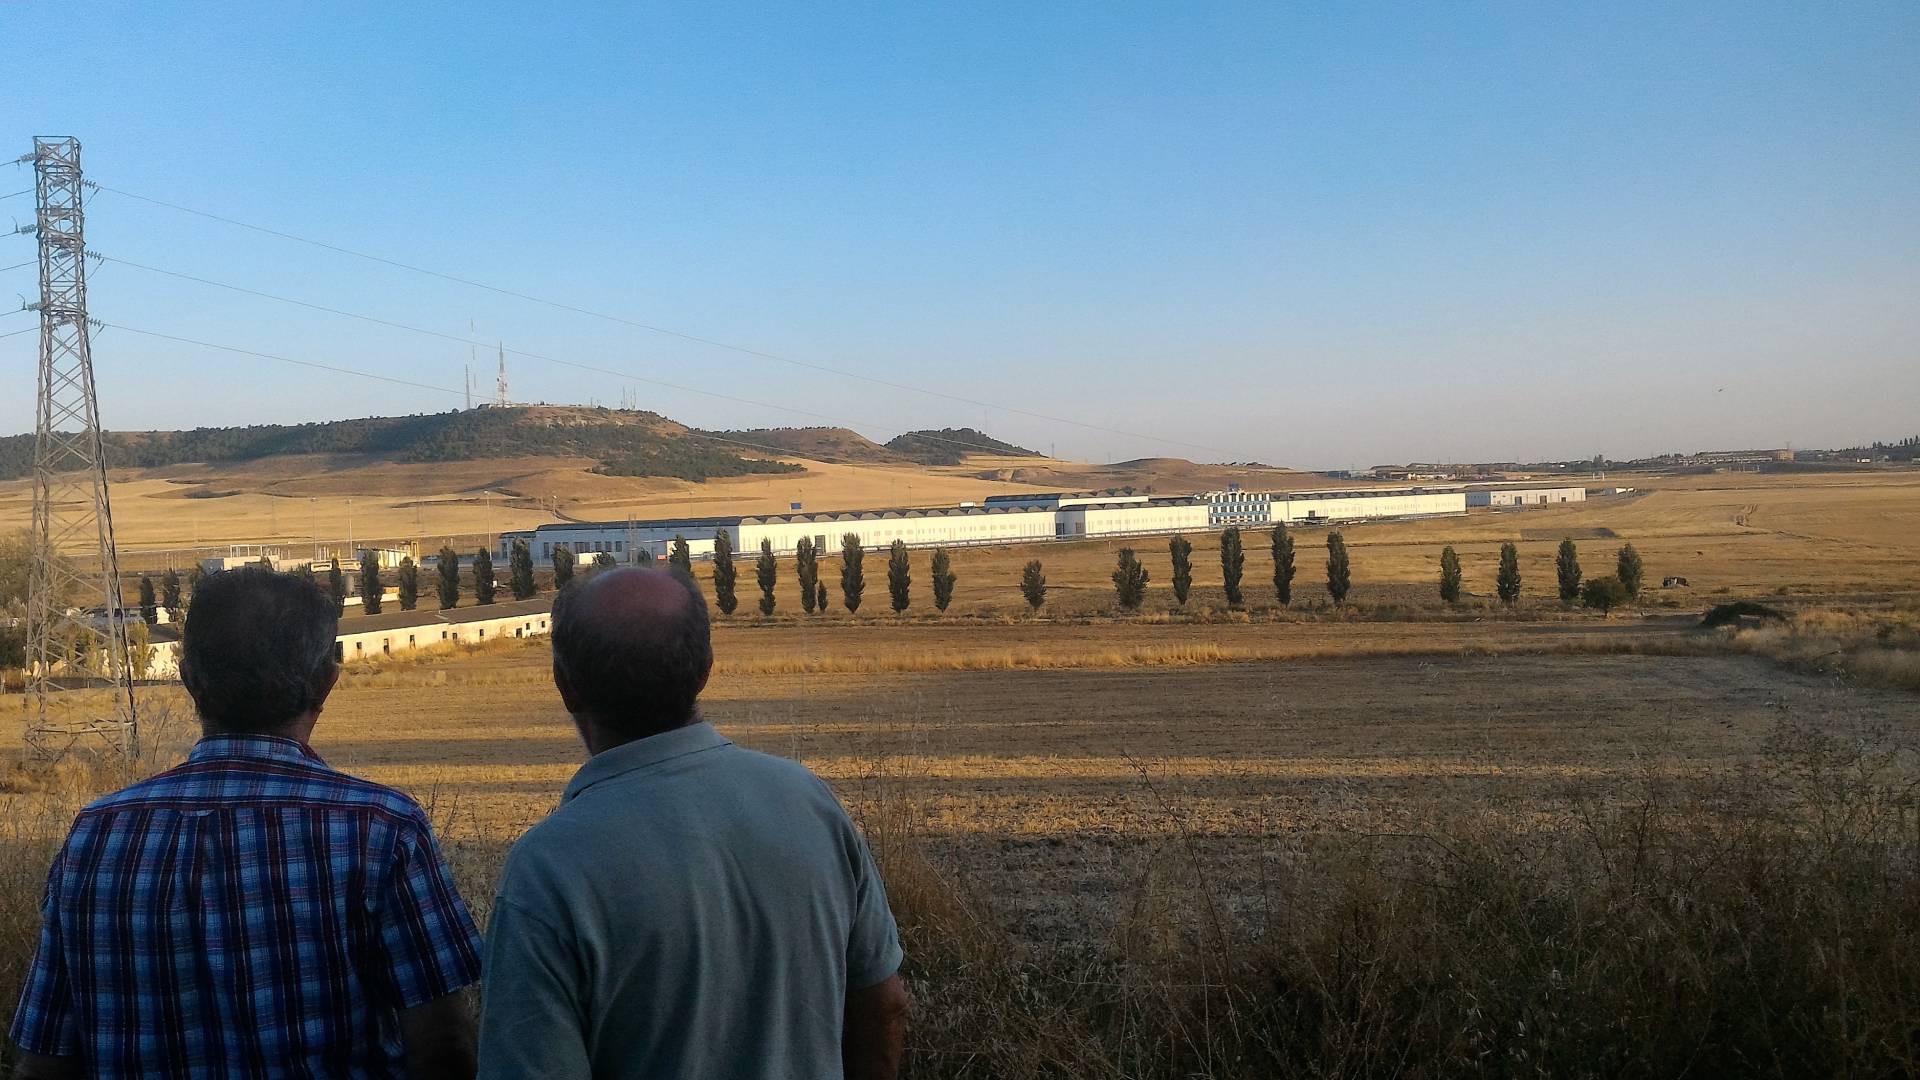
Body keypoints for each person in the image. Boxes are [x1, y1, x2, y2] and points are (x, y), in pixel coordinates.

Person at [10, 566, 484, 1079]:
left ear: (189, 680)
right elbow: (443, 1044)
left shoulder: (94, 835)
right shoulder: (381, 829)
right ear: (327, 682)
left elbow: (44, 1061)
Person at [478, 567, 909, 1079]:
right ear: (706, 668)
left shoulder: (548, 869)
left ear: (566, 687)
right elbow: (883, 1007)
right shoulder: (809, 801)